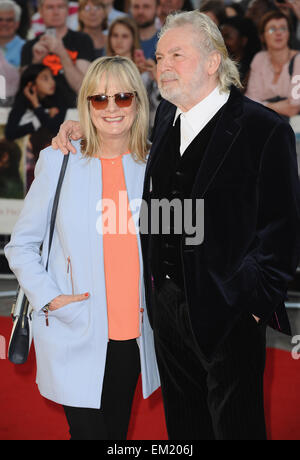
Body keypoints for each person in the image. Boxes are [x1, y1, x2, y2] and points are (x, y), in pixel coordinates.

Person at [52, 11, 300, 440]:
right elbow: (118, 132)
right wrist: (77, 124)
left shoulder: (265, 130)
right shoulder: (166, 118)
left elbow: (283, 231)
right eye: (161, 54)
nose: (163, 63)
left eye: (177, 55)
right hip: (165, 315)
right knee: (184, 433)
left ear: (212, 61)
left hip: (230, 315)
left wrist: (252, 305)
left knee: (236, 429)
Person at [4, 56, 160, 441]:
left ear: (137, 103)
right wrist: (49, 297)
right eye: (98, 99)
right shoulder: (60, 160)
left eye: (122, 98)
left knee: (115, 436)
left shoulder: (154, 165)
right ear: (85, 105)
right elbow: (21, 244)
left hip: (135, 334)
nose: (110, 108)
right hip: (75, 327)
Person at [21, 0, 95, 108]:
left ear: (68, 10)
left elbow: (82, 88)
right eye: (50, 7)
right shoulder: (29, 46)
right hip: (40, 112)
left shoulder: (82, 40)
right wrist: (36, 62)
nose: (56, 12)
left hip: (73, 110)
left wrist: (62, 53)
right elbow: (25, 91)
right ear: (40, 11)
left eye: (60, 7)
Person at [5, 64, 67, 188]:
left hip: (56, 163)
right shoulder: (22, 102)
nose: (51, 82)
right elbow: (10, 133)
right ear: (31, 85)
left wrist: (37, 107)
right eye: (45, 78)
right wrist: (39, 114)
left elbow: (53, 128)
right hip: (32, 163)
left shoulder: (59, 99)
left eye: (51, 77)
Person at [107, 16, 160, 132]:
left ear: (133, 39)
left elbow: (155, 106)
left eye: (125, 36)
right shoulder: (101, 70)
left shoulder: (146, 71)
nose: (119, 41)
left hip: (141, 130)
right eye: (115, 35)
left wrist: (156, 77)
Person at [246, 10, 300, 118]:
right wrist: (281, 105)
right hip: (265, 124)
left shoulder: (298, 60)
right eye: (272, 29)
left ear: (289, 33)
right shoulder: (259, 59)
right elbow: (250, 101)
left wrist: (263, 104)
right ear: (262, 36)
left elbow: (294, 107)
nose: (278, 33)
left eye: (283, 28)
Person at [220, 16, 261, 90]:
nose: (222, 42)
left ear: (243, 41)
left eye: (227, 37)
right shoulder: (217, 62)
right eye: (220, 37)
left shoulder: (253, 67)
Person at [0, 0, 25, 68]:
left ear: (17, 24)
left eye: (9, 20)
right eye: (0, 19)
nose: (4, 24)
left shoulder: (26, 49)